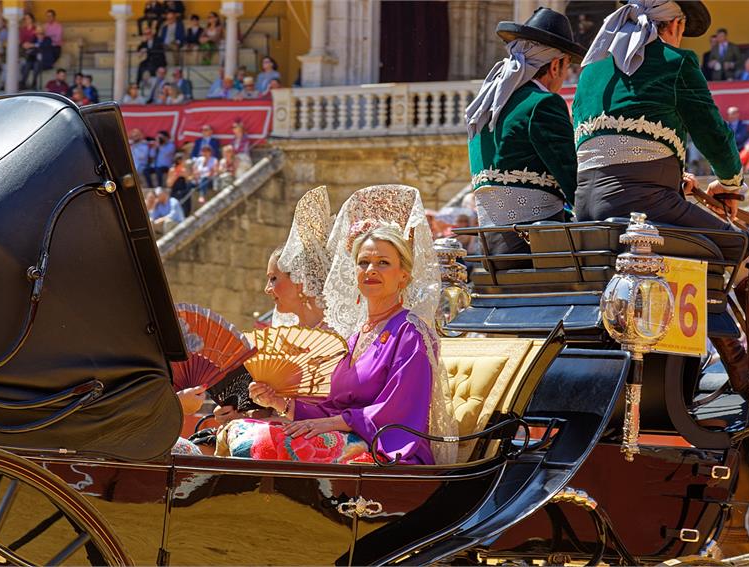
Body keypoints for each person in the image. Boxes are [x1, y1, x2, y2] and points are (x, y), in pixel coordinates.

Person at [572, 0, 749, 398]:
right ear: (676, 24)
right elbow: (713, 132)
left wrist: (670, 177)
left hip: (590, 208)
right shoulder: (675, 61)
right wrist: (730, 184)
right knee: (744, 247)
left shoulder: (592, 71)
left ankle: (739, 359)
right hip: (644, 207)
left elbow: (610, 148)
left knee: (703, 248)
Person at [224, 186, 456, 465]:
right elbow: (332, 407)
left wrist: (336, 423)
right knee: (244, 429)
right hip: (349, 437)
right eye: (363, 262)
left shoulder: (411, 332)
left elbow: (397, 411)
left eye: (383, 263)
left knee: (269, 443)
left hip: (388, 450)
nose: (371, 270)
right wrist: (279, 403)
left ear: (403, 276)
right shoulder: (355, 337)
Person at [465, 7, 585, 263]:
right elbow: (573, 179)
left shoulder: (484, 108)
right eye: (567, 67)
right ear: (555, 65)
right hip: (535, 247)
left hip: (490, 248)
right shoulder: (543, 103)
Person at [213, 186, 334, 425]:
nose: (267, 289)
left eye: (274, 279)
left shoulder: (336, 336)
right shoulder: (283, 337)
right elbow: (268, 411)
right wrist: (239, 415)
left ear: (300, 282)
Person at [20, 25, 55, 90]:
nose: (39, 35)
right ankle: (23, 83)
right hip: (34, 61)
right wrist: (28, 47)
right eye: (38, 33)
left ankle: (34, 83)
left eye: (41, 33)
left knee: (36, 64)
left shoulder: (48, 39)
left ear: (44, 34)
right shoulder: (34, 39)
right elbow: (31, 49)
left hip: (45, 62)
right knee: (27, 64)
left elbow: (43, 46)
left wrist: (32, 45)